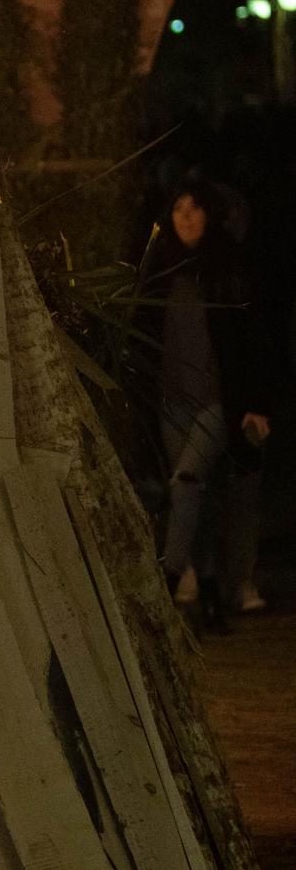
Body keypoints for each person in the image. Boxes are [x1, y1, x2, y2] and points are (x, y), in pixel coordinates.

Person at [141, 181, 273, 628]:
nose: (186, 217)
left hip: (216, 401)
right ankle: (211, 591)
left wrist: (255, 403)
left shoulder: (227, 268)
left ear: (209, 216)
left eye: (195, 209)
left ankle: (168, 579)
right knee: (194, 496)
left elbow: (251, 340)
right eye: (179, 208)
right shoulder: (160, 268)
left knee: (186, 481)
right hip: (171, 400)